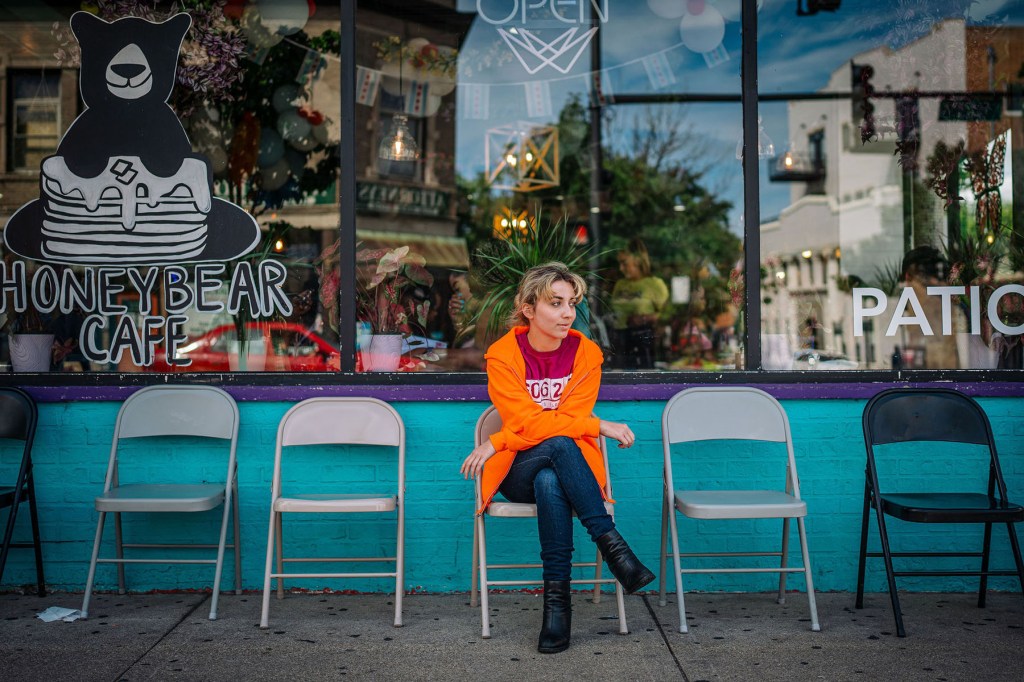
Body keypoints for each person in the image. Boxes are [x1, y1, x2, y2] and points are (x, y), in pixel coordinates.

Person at [460, 262, 654, 654]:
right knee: (560, 443)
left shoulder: (586, 354)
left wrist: (499, 439)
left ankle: (557, 614)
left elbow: (558, 422)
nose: (568, 313)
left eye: (571, 303)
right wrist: (596, 425)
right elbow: (530, 423)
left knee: (552, 475)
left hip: (568, 472)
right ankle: (614, 547)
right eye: (555, 303)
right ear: (528, 309)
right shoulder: (502, 356)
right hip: (517, 471)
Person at [610, 238, 669, 368]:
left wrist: (645, 318)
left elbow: (667, 316)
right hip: (619, 341)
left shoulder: (655, 284)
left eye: (624, 263)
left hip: (643, 341)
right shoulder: (620, 284)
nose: (621, 268)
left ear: (637, 260)